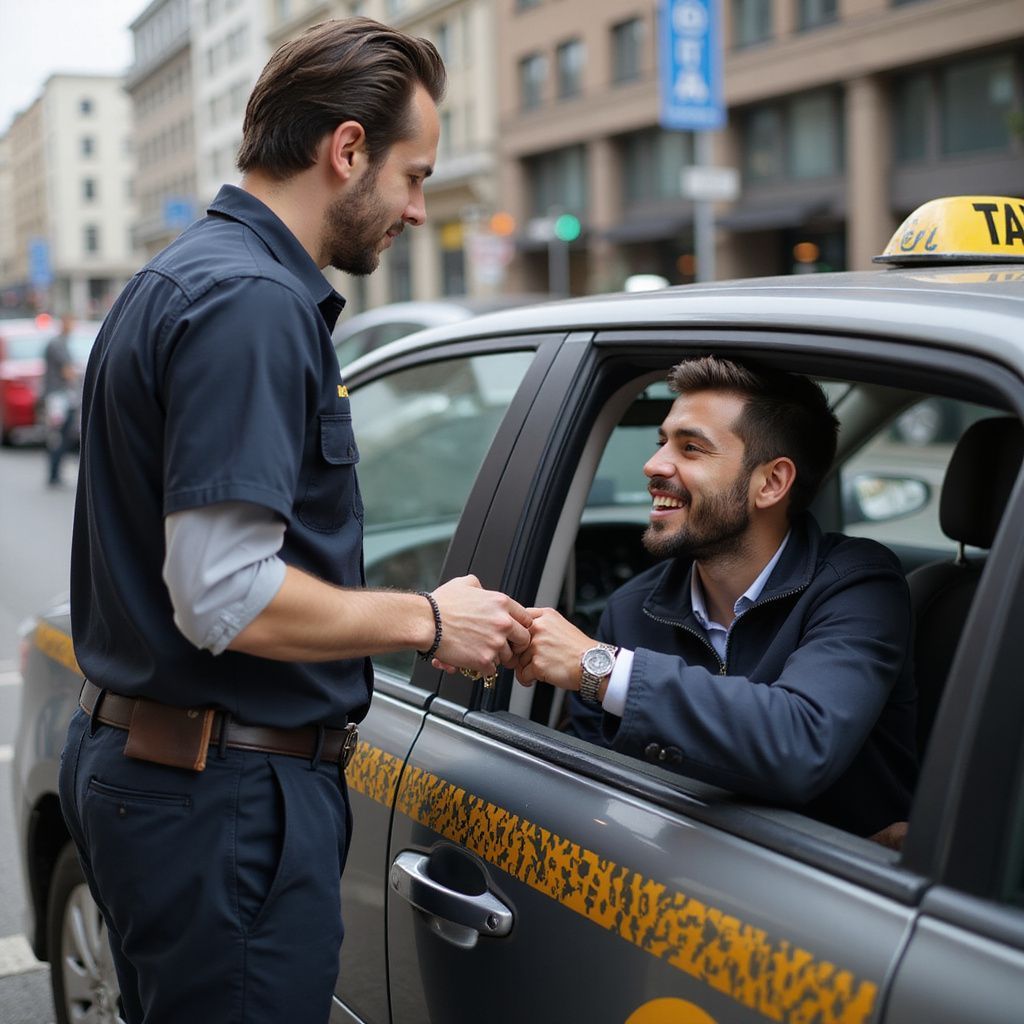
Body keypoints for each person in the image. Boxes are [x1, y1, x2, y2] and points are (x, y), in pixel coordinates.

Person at [59, 19, 530, 1024]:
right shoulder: (252, 302)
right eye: (413, 174)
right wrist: (430, 622)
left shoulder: (186, 275)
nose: (414, 206)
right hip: (222, 803)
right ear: (347, 148)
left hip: (174, 782)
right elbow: (223, 593)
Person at [511, 356, 918, 840]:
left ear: (770, 483)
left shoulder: (858, 584)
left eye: (691, 448)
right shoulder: (631, 607)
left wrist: (600, 668)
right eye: (663, 442)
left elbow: (803, 740)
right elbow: (594, 791)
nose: (654, 464)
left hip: (838, 897)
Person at [41, 314, 77, 486]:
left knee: (61, 434)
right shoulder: (58, 344)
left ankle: (55, 472)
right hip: (58, 398)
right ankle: (54, 473)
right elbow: (67, 370)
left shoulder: (60, 343)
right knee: (59, 435)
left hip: (58, 396)